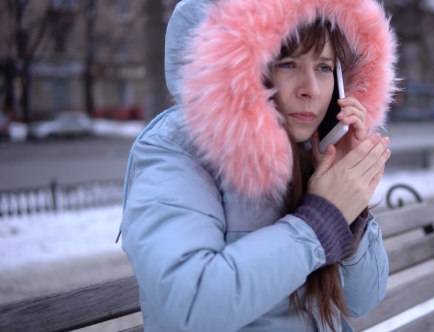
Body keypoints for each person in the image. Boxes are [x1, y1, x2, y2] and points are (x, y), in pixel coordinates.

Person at [118, 0, 397, 331]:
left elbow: (362, 299)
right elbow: (190, 306)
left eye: (324, 68)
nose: (310, 90)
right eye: (288, 64)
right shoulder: (178, 149)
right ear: (238, 68)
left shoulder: (311, 150)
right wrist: (319, 223)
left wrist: (348, 202)